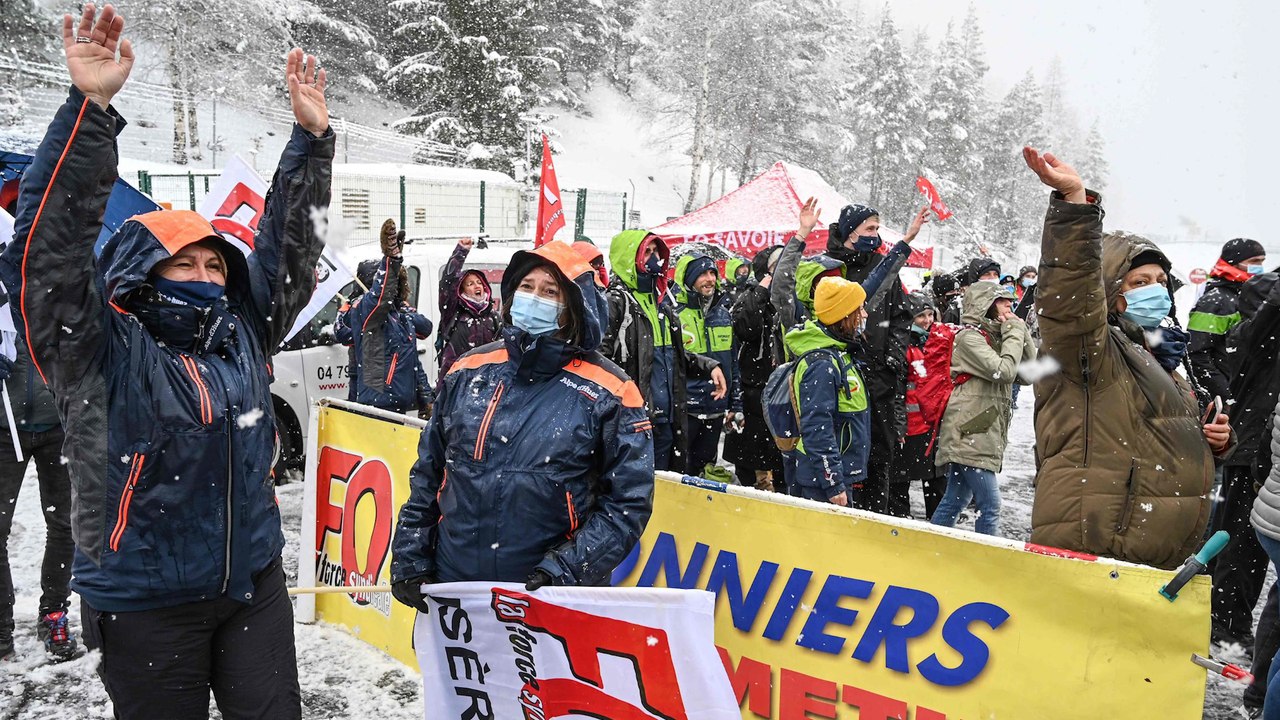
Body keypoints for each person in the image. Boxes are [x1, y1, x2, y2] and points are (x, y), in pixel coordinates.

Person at [0, 7, 333, 716]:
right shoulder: (96, 346)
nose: (207, 275)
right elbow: (50, 255)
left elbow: (289, 254)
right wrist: (89, 110)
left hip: (253, 583)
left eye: (215, 262)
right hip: (145, 602)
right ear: (136, 274)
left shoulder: (241, 329)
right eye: (182, 261)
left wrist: (311, 142)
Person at [390, 241, 653, 602]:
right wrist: (410, 556)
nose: (534, 297)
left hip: (548, 595)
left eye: (550, 291)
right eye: (527, 287)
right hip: (457, 584)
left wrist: (566, 569)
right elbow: (429, 473)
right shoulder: (469, 369)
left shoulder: (612, 390)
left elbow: (628, 504)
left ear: (573, 306)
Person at [1023, 146, 1232, 570]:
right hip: (1097, 549)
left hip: (1141, 562)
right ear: (1109, 291)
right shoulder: (1089, 349)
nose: (1155, 289)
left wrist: (1214, 442)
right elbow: (1070, 293)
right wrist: (1075, 205)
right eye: (1139, 281)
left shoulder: (1160, 356)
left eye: (1160, 281)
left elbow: (1154, 434)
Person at [782, 234, 916, 507]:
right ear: (844, 316)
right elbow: (817, 429)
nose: (866, 315)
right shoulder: (822, 363)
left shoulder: (841, 353)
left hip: (840, 476)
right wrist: (833, 484)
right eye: (860, 310)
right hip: (824, 484)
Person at [819, 202, 930, 514]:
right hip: (839, 373)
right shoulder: (828, 267)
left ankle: (874, 516)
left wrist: (892, 360)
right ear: (850, 231)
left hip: (879, 377)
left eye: (877, 229)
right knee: (841, 447)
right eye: (869, 229)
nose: (875, 235)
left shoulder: (883, 266)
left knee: (879, 455)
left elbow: (901, 318)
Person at [602, 230, 725, 472]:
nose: (653, 258)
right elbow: (600, 361)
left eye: (656, 251)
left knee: (667, 490)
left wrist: (709, 366)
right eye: (646, 252)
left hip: (668, 420)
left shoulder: (662, 304)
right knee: (637, 494)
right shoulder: (616, 302)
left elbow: (674, 356)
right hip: (635, 422)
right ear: (630, 258)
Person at [930, 281, 1036, 536]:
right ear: (984, 305)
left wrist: (1021, 332)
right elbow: (1005, 371)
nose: (1009, 305)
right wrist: (1013, 331)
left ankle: (930, 545)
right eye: (1002, 300)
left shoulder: (998, 335)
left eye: (1009, 300)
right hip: (970, 430)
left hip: (979, 427)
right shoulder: (969, 338)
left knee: (955, 499)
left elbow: (1028, 373)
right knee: (990, 506)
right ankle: (984, 559)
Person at [1210, 273, 1280, 652]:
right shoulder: (1253, 333)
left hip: (1263, 446)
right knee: (1241, 541)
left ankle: (1227, 616)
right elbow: (1257, 333)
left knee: (1244, 540)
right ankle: (1227, 621)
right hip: (1252, 447)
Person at [0, 333, 75, 661]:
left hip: (60, 423)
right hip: (4, 428)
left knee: (64, 524)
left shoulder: (59, 285)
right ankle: (1, 626)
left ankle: (54, 613)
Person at [340, 219, 432, 417]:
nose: (397, 287)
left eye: (399, 281)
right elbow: (379, 297)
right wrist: (391, 260)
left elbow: (414, 362)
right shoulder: (365, 309)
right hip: (377, 404)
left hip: (398, 406)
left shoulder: (402, 317)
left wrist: (426, 398)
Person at [673, 252, 742, 476]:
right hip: (686, 410)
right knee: (681, 471)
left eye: (712, 273)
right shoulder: (675, 315)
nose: (710, 278)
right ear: (688, 278)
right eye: (702, 273)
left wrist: (736, 404)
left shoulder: (723, 315)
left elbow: (732, 363)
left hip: (716, 409)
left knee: (706, 472)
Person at [725, 247, 785, 491]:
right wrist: (763, 288)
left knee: (780, 460)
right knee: (751, 460)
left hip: (782, 389)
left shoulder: (791, 297)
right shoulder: (751, 295)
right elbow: (745, 327)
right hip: (754, 389)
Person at [894, 293, 956, 520]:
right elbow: (898, 391)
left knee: (936, 481)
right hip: (911, 429)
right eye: (921, 315)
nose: (927, 320)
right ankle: (900, 523)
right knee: (901, 482)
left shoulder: (938, 342)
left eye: (930, 314)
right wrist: (899, 426)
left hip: (933, 425)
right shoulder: (903, 346)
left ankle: (937, 523)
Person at [1189, 237, 1267, 408]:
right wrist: (1225, 395)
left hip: (1247, 391)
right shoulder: (1216, 301)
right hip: (1227, 397)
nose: (1259, 267)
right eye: (1253, 261)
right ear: (1233, 262)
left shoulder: (1249, 295)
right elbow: (1197, 354)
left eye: (1261, 262)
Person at [436, 235, 502, 384]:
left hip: (485, 383)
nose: (477, 286)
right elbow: (448, 282)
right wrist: (460, 252)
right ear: (462, 290)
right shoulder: (453, 312)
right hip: (455, 381)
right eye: (470, 284)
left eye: (479, 282)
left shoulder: (494, 317)